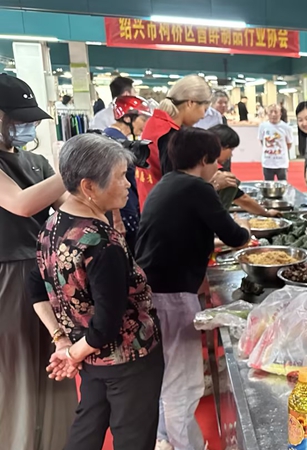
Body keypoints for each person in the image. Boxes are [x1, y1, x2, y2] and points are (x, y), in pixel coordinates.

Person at [35, 133, 163, 450]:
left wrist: (64, 342)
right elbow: (106, 324)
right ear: (90, 186)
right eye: (121, 177)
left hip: (89, 356)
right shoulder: (101, 244)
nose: (128, 185)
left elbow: (35, 286)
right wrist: (72, 353)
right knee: (133, 437)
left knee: (86, 430)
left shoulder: (53, 225)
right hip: (127, 360)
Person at [136, 128, 250, 450]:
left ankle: (163, 438)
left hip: (154, 291)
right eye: (216, 161)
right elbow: (234, 236)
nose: (218, 167)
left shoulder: (167, 183)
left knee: (168, 375)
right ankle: (184, 444)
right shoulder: (197, 187)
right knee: (183, 384)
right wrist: (247, 231)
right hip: (171, 295)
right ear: (204, 160)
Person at [0, 73, 76, 450]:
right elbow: (21, 203)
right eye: (16, 118)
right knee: (15, 371)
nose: (24, 126)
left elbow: (67, 209)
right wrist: (74, 171)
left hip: (47, 272)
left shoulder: (37, 161)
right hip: (8, 277)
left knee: (56, 359)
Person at [137, 75, 229, 210]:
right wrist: (213, 183)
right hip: (165, 213)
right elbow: (177, 186)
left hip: (150, 206)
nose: (203, 116)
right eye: (204, 109)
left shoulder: (156, 122)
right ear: (191, 103)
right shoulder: (168, 134)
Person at [104, 95, 153, 250]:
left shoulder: (118, 140)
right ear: (127, 118)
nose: (145, 124)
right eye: (142, 119)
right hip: (123, 214)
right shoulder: (112, 142)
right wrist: (117, 219)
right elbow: (109, 181)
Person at [210, 124, 281, 217]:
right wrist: (266, 213)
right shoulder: (219, 173)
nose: (231, 155)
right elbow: (243, 199)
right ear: (220, 147)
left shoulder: (195, 163)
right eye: (231, 149)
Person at [259, 103, 293, 181]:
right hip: (267, 162)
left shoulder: (286, 127)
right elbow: (261, 140)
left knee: (283, 185)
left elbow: (289, 143)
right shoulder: (263, 126)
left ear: (280, 114)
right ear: (267, 113)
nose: (273, 114)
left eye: (276, 112)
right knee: (268, 186)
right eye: (271, 112)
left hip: (281, 163)